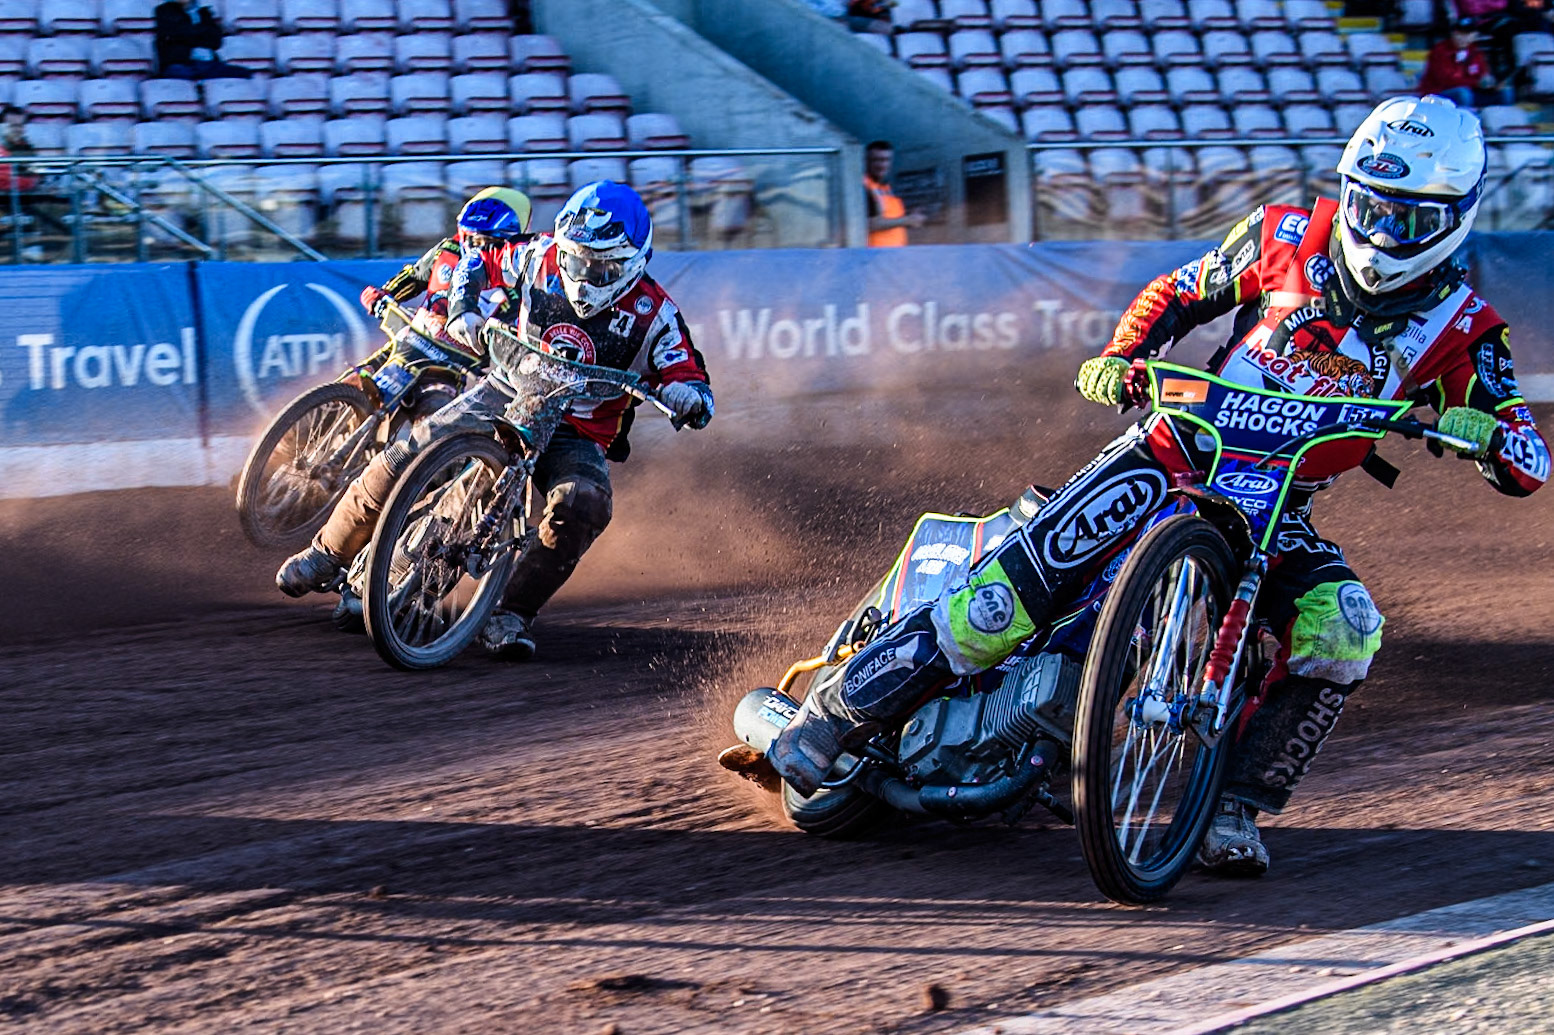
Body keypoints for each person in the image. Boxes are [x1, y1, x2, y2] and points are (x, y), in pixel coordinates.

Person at [763, 96, 1548, 875]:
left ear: (1453, 218)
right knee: (1005, 600)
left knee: (1343, 627)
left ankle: (1233, 807)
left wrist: (1492, 437)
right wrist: (1123, 352)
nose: (1379, 234)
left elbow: (1528, 452)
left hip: (1276, 507)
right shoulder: (1284, 235)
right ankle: (834, 718)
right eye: (1368, 206)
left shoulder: (1466, 329)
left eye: (1405, 220)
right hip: (1175, 452)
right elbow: (1178, 291)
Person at [276, 181, 714, 660]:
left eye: (600, 267)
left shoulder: (657, 315)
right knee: (408, 451)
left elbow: (693, 378)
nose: (583, 275)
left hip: (576, 429)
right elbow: (475, 261)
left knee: (585, 503)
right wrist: (462, 308)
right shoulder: (538, 254)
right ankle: (327, 553)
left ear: (632, 264)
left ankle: (513, 613)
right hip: (504, 389)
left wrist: (688, 396)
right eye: (575, 260)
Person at [1419, 16, 1512, 109]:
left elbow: (1482, 76)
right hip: (1439, 94)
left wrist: (1490, 84)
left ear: (1475, 35)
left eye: (1467, 34)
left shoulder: (1475, 52)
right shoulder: (1440, 51)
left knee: (1506, 92)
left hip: (1472, 91)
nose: (1463, 38)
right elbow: (1445, 80)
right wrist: (1476, 83)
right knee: (1463, 93)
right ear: (1452, 34)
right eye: (1459, 33)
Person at [153, 0, 254, 79]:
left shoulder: (204, 13)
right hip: (181, 64)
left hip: (209, 65)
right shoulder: (164, 11)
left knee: (243, 73)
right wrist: (202, 33)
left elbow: (216, 41)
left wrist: (187, 35)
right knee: (178, 74)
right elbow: (176, 33)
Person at [864, 140, 926, 247]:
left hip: (893, 253)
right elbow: (869, 224)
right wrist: (907, 220)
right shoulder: (865, 187)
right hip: (875, 255)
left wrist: (910, 218)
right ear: (866, 161)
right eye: (876, 160)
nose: (882, 165)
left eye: (886, 160)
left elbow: (889, 219)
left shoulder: (885, 188)